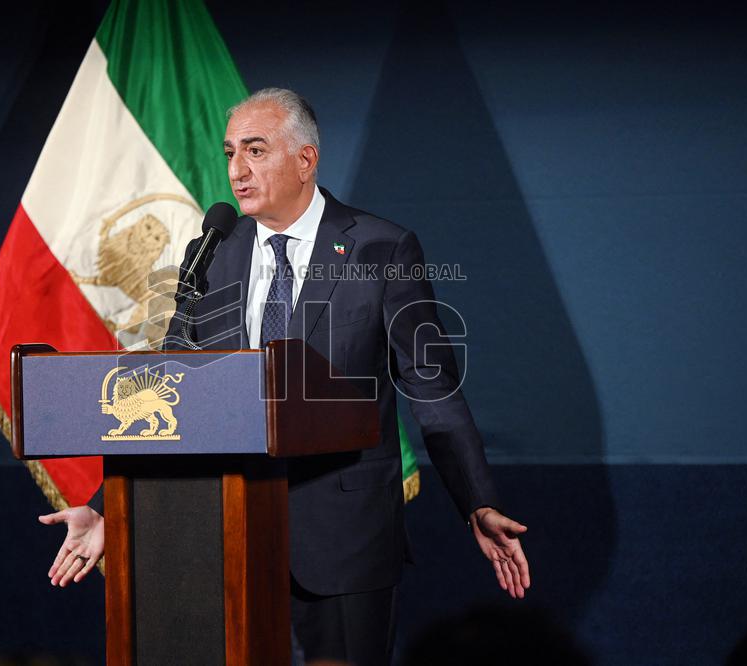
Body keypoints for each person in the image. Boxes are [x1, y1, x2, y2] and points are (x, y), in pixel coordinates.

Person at [39, 88, 530, 665]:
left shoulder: (381, 247)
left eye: (255, 150)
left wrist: (476, 501)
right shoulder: (213, 253)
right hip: (228, 538)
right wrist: (109, 508)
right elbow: (179, 399)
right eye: (229, 153)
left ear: (305, 159)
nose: (237, 171)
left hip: (344, 539)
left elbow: (433, 387)